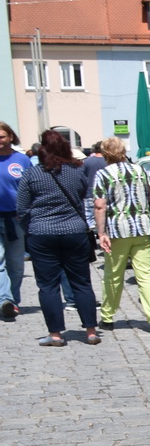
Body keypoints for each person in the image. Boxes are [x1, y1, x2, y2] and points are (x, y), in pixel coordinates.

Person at [16, 129, 101, 346]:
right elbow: (83, 198)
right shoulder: (77, 172)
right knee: (81, 282)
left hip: (41, 233)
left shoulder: (32, 174)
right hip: (74, 231)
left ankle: (55, 334)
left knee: (48, 285)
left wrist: (31, 228)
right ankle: (91, 331)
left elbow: (22, 209)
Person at [91, 137, 150, 334]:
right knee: (146, 275)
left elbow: (100, 205)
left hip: (117, 230)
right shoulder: (141, 171)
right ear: (123, 152)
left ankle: (107, 317)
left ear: (105, 154)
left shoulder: (103, 174)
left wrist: (101, 232)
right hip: (143, 228)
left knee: (113, 274)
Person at [0, 122, 29, 321]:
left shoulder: (22, 160)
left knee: (16, 264)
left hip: (16, 219)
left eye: (2, 136)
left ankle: (13, 301)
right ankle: (5, 299)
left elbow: (31, 188)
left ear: (11, 137)